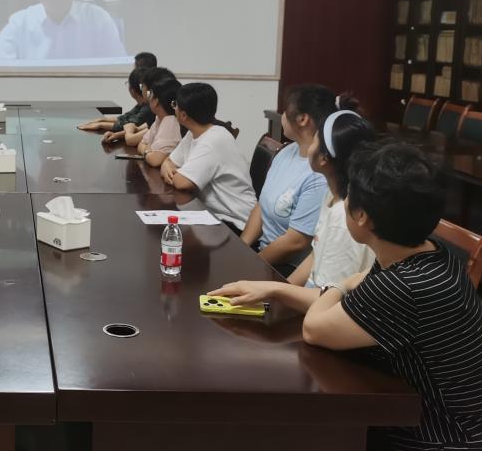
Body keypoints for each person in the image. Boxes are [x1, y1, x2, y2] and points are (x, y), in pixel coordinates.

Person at [302, 142, 482, 451]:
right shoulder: (430, 252)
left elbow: (315, 328)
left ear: (361, 215)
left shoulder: (406, 286)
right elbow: (349, 308)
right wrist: (283, 290)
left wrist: (341, 284)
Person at [208, 107, 377, 313]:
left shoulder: (343, 218)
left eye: (314, 141)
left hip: (323, 315)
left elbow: (330, 302)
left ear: (324, 159)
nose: (309, 147)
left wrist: (275, 292)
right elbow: (315, 256)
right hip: (312, 302)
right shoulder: (332, 196)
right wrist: (279, 290)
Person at [239, 85, 335, 270]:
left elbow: (296, 242)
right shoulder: (286, 151)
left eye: (285, 111)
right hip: (263, 255)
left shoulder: (319, 174)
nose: (282, 116)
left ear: (303, 119)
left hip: (289, 267)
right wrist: (242, 249)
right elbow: (261, 206)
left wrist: (252, 263)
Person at [160, 82, 256, 232]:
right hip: (211, 214)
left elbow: (182, 182)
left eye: (175, 105)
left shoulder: (213, 140)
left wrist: (169, 168)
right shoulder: (194, 133)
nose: (174, 108)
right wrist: (167, 165)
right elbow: (168, 161)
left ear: (184, 115)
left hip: (234, 221)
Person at [104, 66, 175, 147]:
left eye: (142, 86)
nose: (141, 89)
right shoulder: (159, 116)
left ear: (151, 91)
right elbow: (140, 130)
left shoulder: (163, 116)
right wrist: (117, 135)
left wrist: (128, 130)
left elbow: (131, 140)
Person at [78, 67, 156, 134]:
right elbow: (126, 117)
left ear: (132, 90)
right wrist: (102, 120)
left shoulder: (149, 107)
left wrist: (101, 125)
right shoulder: (142, 104)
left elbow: (130, 125)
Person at [136, 77, 183, 167]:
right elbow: (141, 144)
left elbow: (155, 160)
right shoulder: (159, 118)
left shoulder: (170, 122)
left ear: (156, 101)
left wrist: (146, 150)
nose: (148, 97)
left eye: (150, 94)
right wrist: (148, 151)